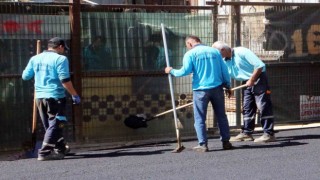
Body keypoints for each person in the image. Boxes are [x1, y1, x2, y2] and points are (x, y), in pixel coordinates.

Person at [165, 35, 233, 152]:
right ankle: (226, 142)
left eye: (187, 46)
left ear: (190, 44)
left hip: (200, 90)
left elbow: (185, 71)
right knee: (221, 116)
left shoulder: (190, 54)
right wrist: (228, 85)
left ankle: (203, 144)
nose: (188, 48)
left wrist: (171, 71)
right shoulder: (215, 52)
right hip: (217, 88)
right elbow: (224, 70)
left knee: (200, 118)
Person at [22, 37, 81, 161]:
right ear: (60, 46)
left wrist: (38, 69)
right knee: (55, 124)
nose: (64, 51)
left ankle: (61, 148)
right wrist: (74, 94)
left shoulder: (35, 58)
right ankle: (44, 152)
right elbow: (64, 80)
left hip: (39, 97)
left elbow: (25, 76)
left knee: (50, 125)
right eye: (64, 48)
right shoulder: (61, 59)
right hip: (55, 97)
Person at [212, 41, 276, 143]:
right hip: (246, 82)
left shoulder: (242, 52)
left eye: (218, 54)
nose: (217, 57)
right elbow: (225, 75)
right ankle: (247, 133)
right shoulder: (224, 60)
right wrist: (228, 87)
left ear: (223, 50)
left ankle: (269, 133)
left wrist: (252, 79)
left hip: (258, 78)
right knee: (247, 107)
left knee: (263, 105)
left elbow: (259, 66)